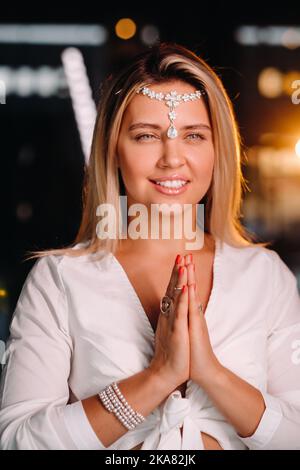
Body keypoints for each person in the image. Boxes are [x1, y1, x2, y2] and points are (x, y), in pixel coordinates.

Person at [0, 42, 300, 450]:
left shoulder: (265, 276)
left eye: (194, 135)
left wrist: (210, 372)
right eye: (146, 136)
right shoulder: (60, 280)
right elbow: (17, 441)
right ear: (113, 150)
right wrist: (158, 376)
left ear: (217, 149)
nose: (172, 159)